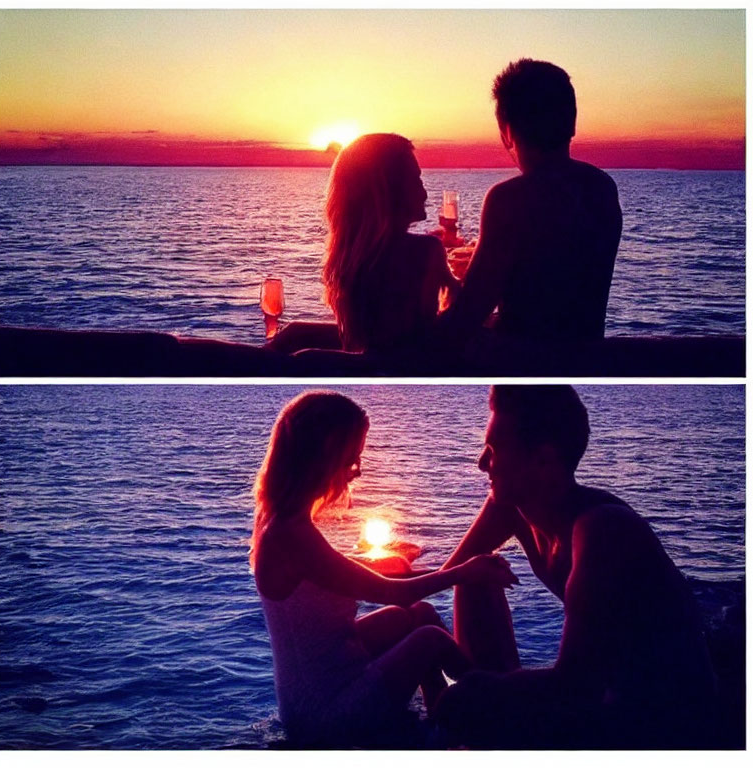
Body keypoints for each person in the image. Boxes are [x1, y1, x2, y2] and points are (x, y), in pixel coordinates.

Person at [436, 385, 716, 749]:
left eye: (493, 449)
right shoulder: (511, 506)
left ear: (543, 461)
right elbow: (446, 575)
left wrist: (477, 688)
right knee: (474, 575)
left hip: (658, 714)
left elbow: (576, 685)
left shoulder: (601, 529)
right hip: (594, 696)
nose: (481, 463)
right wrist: (396, 592)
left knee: (471, 702)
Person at [250, 391, 517, 747]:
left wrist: (390, 562)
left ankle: (442, 714)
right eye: (352, 461)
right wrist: (465, 571)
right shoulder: (292, 535)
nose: (356, 472)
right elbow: (392, 592)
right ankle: (499, 701)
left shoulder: (282, 523)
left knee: (418, 614)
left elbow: (328, 577)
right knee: (431, 639)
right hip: (323, 712)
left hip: (328, 672)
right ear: (325, 454)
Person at [439, 59, 622, 344]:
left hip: (522, 363)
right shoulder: (602, 188)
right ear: (572, 122)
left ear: (507, 132)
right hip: (585, 356)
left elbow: (465, 320)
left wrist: (439, 273)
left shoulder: (508, 199)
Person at [267, 134, 460, 356]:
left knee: (294, 334)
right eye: (416, 180)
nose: (425, 192)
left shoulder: (353, 256)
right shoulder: (426, 250)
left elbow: (370, 339)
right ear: (390, 190)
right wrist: (457, 268)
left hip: (367, 367)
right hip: (411, 368)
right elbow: (452, 323)